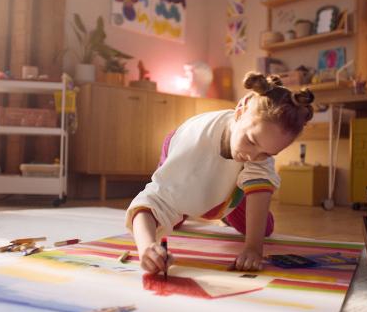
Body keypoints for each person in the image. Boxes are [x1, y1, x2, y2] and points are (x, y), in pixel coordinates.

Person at [126, 71, 315, 274]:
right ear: (240, 111)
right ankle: (196, 208)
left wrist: (253, 248)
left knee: (264, 229)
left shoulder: (259, 145)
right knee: (172, 214)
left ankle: (225, 209)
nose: (253, 156)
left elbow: (259, 187)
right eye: (250, 141)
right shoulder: (192, 147)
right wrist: (146, 248)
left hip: (230, 182)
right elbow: (148, 204)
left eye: (268, 154)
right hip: (188, 156)